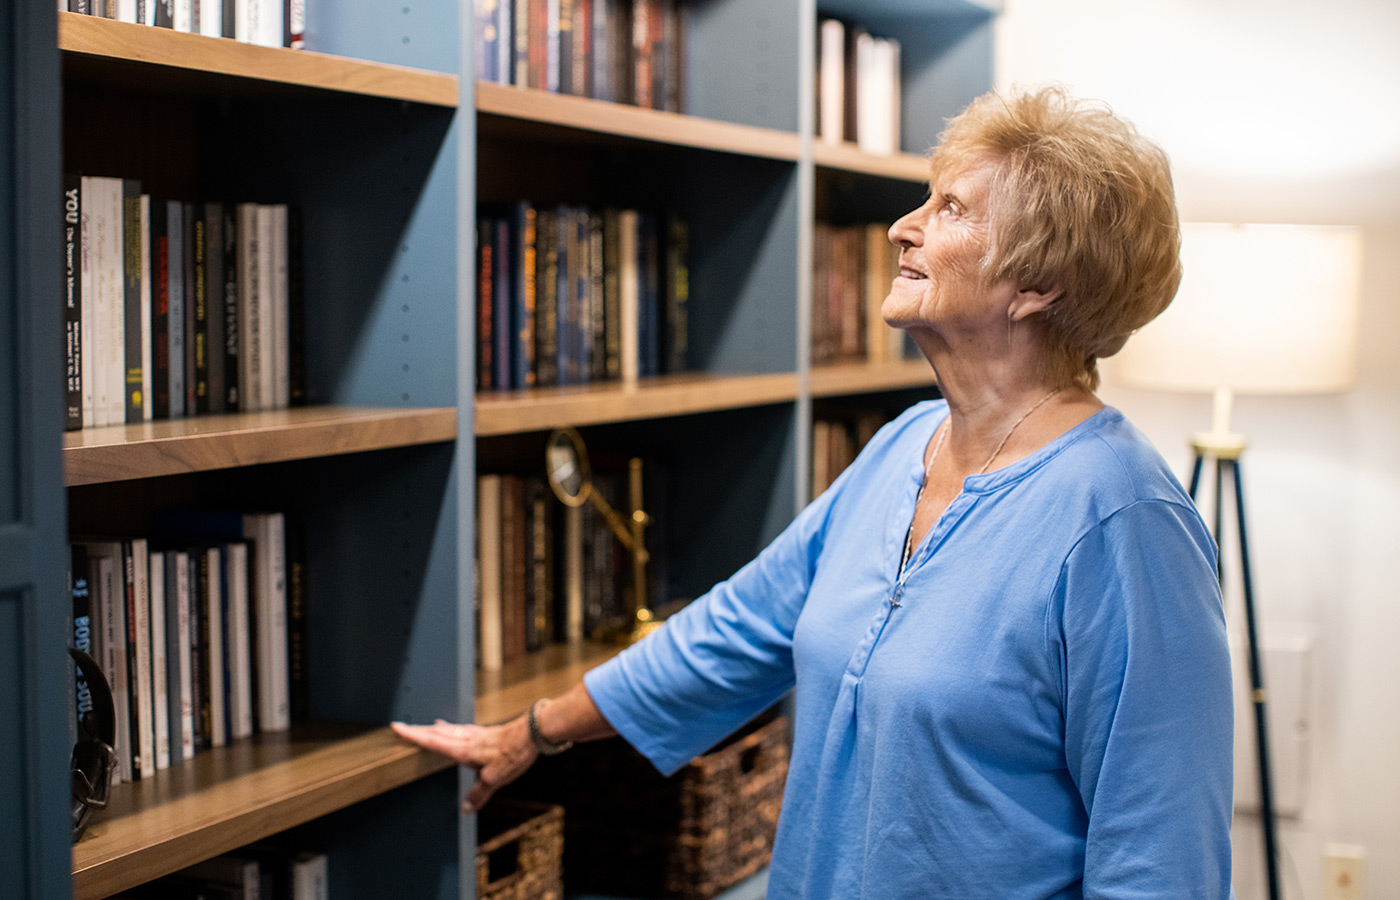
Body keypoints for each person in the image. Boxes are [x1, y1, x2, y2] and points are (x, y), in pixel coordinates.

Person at [393, 85, 1234, 899]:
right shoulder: (906, 444)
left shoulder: (1125, 520)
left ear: (1039, 283)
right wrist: (534, 732)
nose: (904, 227)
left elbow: (1161, 859)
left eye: (951, 210)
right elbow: (734, 632)